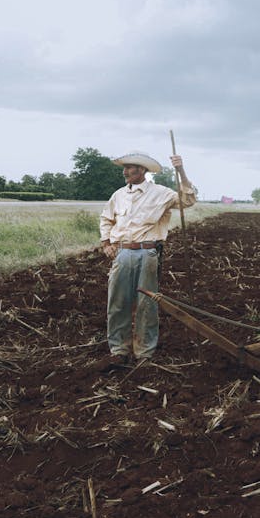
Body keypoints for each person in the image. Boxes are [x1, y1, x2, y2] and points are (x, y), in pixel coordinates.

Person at [99, 151, 197, 367]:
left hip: (149, 253)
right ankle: (119, 351)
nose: (125, 172)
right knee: (117, 302)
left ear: (142, 170)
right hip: (122, 253)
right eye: (124, 168)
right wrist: (106, 243)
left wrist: (180, 170)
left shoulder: (161, 193)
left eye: (130, 168)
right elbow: (106, 218)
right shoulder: (118, 195)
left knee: (147, 304)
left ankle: (144, 353)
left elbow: (187, 199)